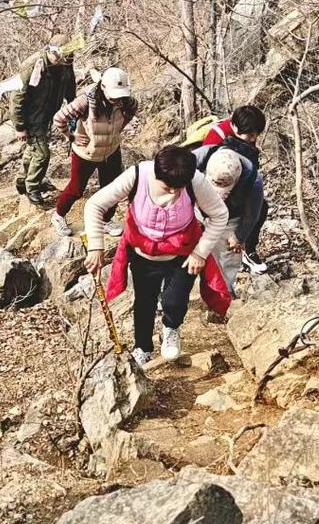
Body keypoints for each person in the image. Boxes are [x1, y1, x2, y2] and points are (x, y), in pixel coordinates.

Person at [84, 145, 230, 367]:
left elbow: (219, 214)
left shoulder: (194, 180)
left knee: (175, 300)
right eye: (167, 187)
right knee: (144, 300)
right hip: (143, 252)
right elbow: (95, 205)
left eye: (178, 188)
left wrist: (200, 252)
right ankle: (142, 346)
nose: (173, 193)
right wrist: (96, 246)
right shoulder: (137, 175)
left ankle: (171, 328)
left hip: (183, 252)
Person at [49, 67, 136, 236]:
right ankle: (58, 215)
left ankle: (105, 220)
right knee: (76, 189)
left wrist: (118, 130)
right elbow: (59, 118)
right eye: (113, 95)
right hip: (85, 153)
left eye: (120, 95)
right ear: (103, 87)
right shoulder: (86, 101)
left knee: (112, 189)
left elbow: (131, 111)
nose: (116, 99)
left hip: (111, 151)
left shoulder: (126, 101)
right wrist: (71, 136)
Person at [203, 104, 271, 274]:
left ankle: (248, 249)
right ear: (234, 127)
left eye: (256, 134)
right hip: (214, 188)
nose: (254, 139)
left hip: (240, 183)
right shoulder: (216, 138)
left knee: (260, 208)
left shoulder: (247, 134)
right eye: (250, 135)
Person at [193, 146, 262, 298]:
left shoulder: (253, 180)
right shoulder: (197, 159)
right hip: (196, 206)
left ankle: (222, 295)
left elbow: (252, 214)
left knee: (228, 253)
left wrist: (239, 236)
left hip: (231, 215)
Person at [11, 45, 75, 206]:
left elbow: (70, 87)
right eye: (59, 57)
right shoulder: (33, 66)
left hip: (48, 114)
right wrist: (19, 126)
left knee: (33, 148)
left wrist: (72, 108)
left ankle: (21, 181)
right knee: (42, 154)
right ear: (50, 52)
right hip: (31, 117)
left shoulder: (66, 64)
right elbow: (17, 97)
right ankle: (32, 187)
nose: (62, 61)